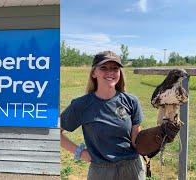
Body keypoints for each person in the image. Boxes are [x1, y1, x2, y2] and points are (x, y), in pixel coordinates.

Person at [60, 51, 146, 180]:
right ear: (94, 73)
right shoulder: (81, 105)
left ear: (119, 73)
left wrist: (154, 139)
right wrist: (81, 153)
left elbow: (135, 139)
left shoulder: (131, 101)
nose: (110, 72)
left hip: (132, 168)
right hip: (101, 172)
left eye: (114, 68)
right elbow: (55, 132)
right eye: (104, 68)